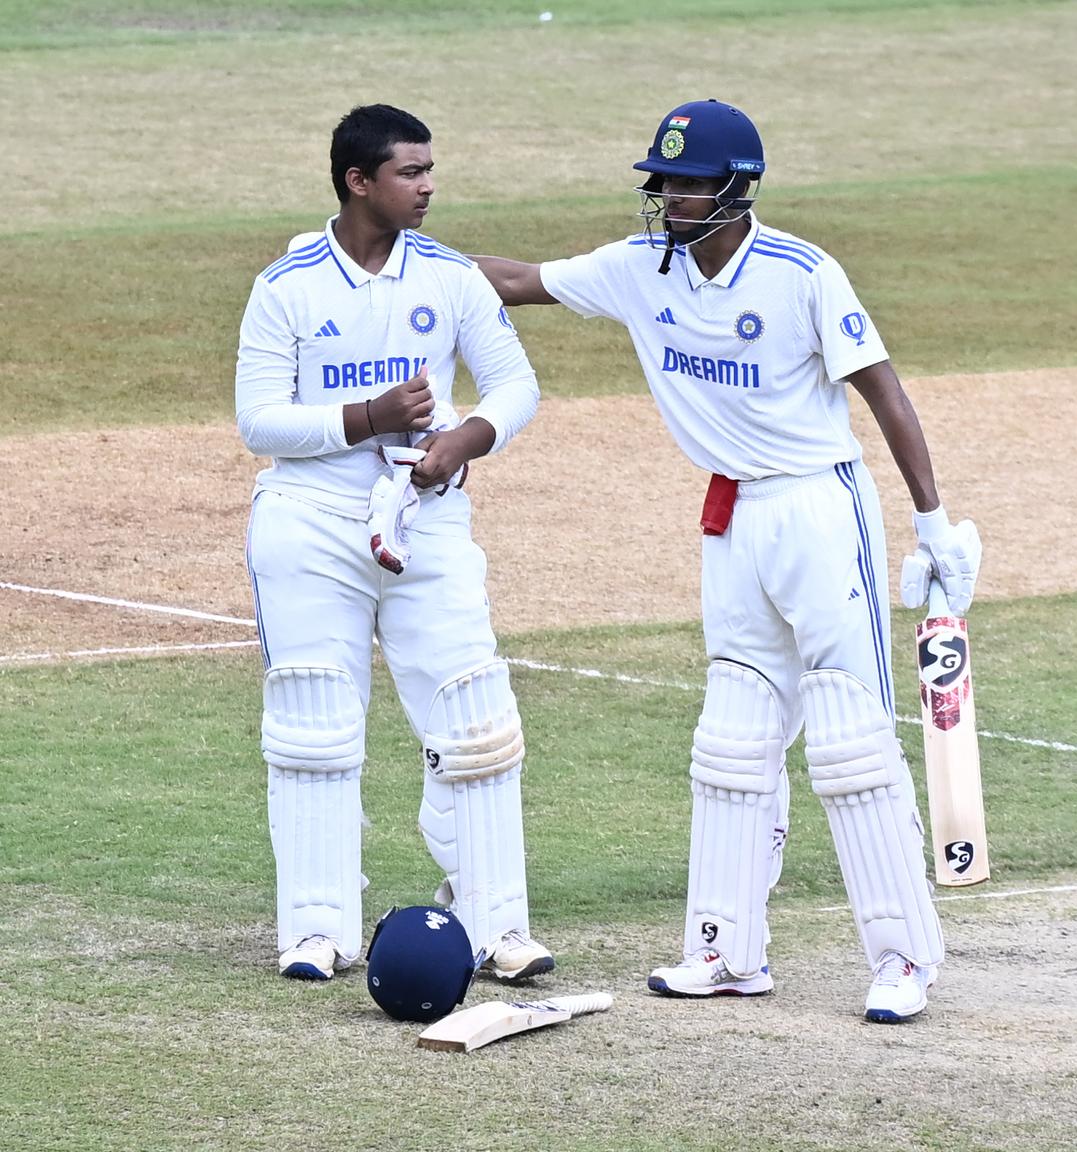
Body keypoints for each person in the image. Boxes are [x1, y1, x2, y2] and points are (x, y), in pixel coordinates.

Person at [472, 98, 981, 1022]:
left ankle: (905, 961)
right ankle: (725, 951)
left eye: (686, 183)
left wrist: (935, 523)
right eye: (659, 181)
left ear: (737, 190)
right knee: (733, 742)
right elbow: (515, 280)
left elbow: (884, 392)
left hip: (819, 508)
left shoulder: (802, 273)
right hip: (732, 519)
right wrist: (398, 257)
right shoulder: (639, 269)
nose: (666, 196)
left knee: (850, 741)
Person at [235, 103, 553, 984]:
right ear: (358, 181)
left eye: (429, 170)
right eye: (410, 173)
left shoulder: (449, 276)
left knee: (475, 719)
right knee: (313, 725)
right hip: (309, 523)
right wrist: (367, 418)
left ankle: (497, 926)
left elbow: (514, 383)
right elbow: (257, 418)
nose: (428, 186)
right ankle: (316, 929)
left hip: (428, 519)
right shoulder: (287, 283)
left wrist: (466, 440)